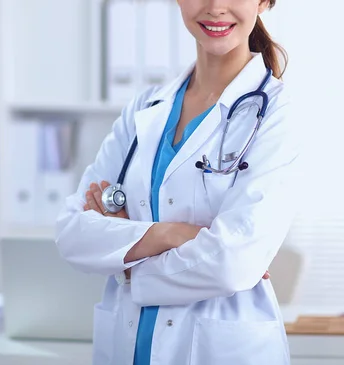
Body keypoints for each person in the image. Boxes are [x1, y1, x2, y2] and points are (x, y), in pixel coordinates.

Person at [55, 0, 302, 364]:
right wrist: (171, 234)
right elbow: (72, 233)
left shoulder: (279, 113)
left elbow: (233, 263)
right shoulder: (146, 107)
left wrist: (126, 261)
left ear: (265, 2)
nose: (216, 7)